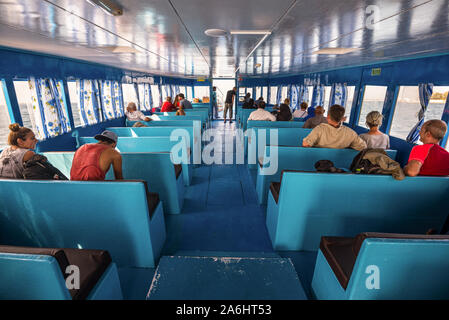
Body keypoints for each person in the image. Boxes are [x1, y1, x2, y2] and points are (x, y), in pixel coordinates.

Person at [302, 104, 366, 150]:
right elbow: (362, 146)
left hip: (319, 162)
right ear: (342, 118)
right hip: (340, 165)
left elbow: (305, 144)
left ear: (328, 117)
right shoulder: (350, 133)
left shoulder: (319, 129)